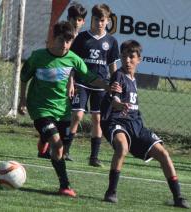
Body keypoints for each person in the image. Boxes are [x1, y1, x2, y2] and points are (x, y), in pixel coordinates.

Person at [18, 21, 116, 197]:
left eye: (69, 41)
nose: (65, 45)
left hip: (63, 110)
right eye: (61, 40)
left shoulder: (73, 59)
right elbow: (24, 76)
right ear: (53, 38)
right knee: (56, 143)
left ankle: (43, 140)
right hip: (40, 108)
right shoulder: (38, 57)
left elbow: (90, 77)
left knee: (59, 147)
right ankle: (65, 185)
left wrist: (108, 87)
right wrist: (22, 100)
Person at [100, 40, 190, 208]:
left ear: (139, 59)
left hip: (136, 125)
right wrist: (119, 104)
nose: (127, 60)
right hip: (116, 121)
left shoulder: (133, 79)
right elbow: (114, 97)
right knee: (122, 147)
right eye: (124, 56)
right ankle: (111, 192)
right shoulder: (118, 75)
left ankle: (178, 197)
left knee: (163, 154)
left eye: (131, 57)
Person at [69, 3, 120, 167]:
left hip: (101, 85)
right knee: (77, 115)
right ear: (92, 19)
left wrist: (114, 85)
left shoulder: (111, 41)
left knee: (97, 119)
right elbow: (72, 63)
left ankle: (94, 157)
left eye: (102, 20)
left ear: (107, 21)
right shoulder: (82, 38)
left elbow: (112, 66)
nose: (99, 23)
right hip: (82, 82)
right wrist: (71, 82)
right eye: (96, 19)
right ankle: (66, 150)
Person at [37, 3, 88, 160]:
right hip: (63, 82)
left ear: (83, 21)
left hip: (77, 82)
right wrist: (70, 82)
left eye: (80, 19)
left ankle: (64, 149)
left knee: (73, 116)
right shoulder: (64, 35)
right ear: (69, 19)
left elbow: (76, 63)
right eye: (74, 19)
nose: (76, 22)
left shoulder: (83, 38)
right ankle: (47, 147)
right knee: (56, 116)